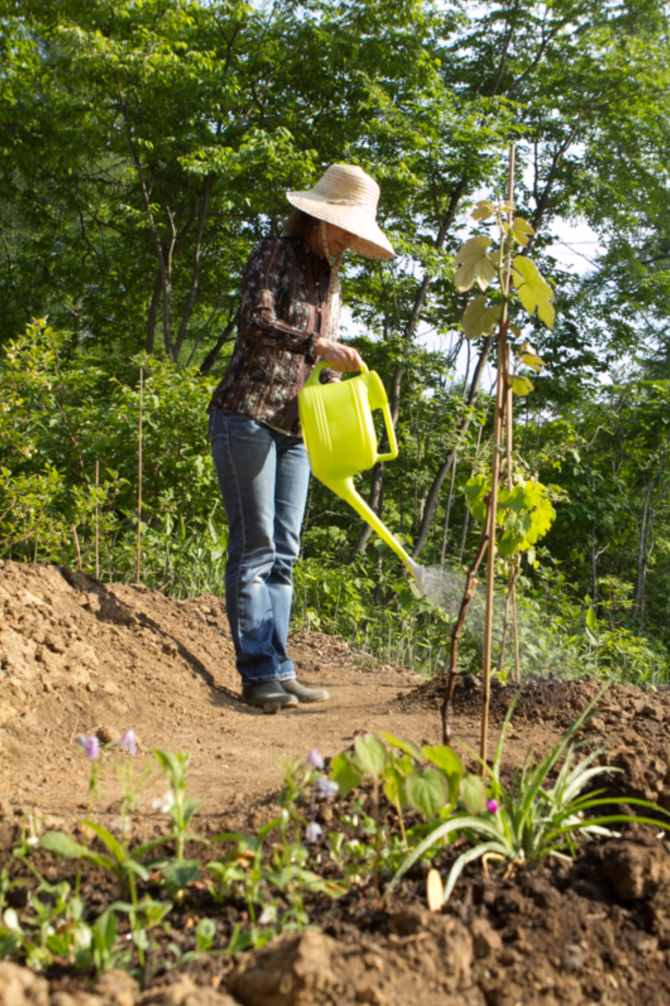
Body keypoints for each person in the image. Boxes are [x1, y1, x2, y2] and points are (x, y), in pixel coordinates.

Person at [208, 163, 395, 713]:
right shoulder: (273, 254)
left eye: (354, 234)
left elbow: (323, 361)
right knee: (256, 548)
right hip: (246, 414)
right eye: (343, 228)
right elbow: (254, 321)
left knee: (286, 553)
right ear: (316, 217)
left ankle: (281, 667)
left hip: (298, 428)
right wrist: (317, 345)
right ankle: (258, 674)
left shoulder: (332, 277)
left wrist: (338, 379)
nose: (347, 241)